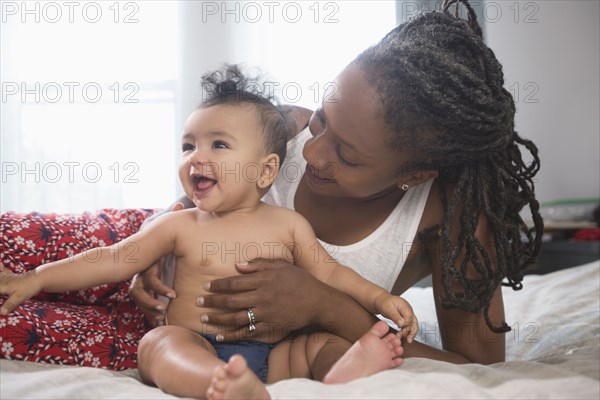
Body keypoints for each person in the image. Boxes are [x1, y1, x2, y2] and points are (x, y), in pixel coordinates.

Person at [130, 0, 544, 383]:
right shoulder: (284, 129)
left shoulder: (451, 219)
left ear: (415, 175)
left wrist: (327, 307)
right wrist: (159, 234)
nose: (310, 152)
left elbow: (481, 370)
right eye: (323, 119)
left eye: (347, 155)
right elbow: (201, 185)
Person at [0, 65, 416, 399]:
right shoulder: (179, 226)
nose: (197, 157)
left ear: (265, 169)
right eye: (187, 146)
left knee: (324, 343)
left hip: (278, 351)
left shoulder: (289, 225)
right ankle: (218, 383)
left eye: (218, 145)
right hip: (198, 342)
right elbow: (112, 259)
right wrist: (38, 278)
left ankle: (340, 377)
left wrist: (380, 299)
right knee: (159, 345)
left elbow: (331, 275)